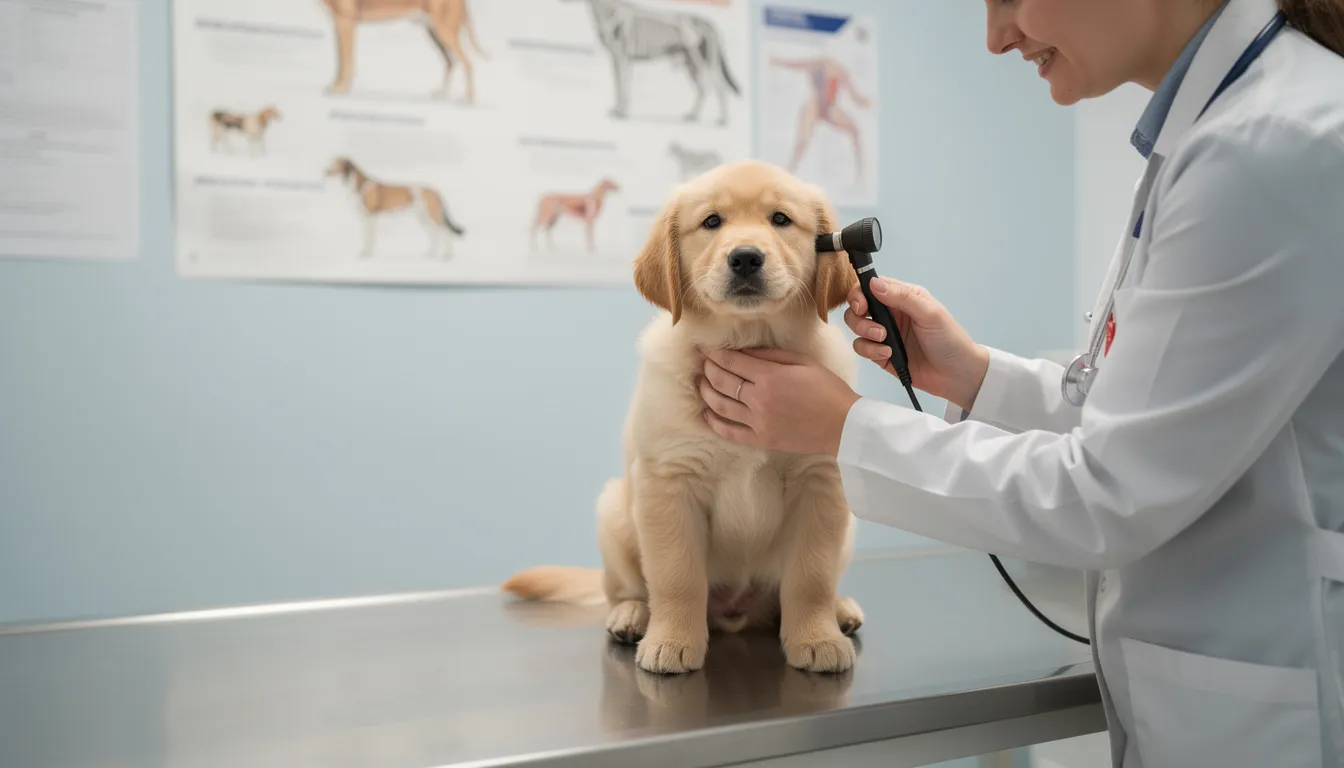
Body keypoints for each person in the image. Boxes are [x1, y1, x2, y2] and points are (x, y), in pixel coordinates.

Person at [694, 0, 1344, 765]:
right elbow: (1154, 424)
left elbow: (1109, 492)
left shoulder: (1274, 146)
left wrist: (845, 429)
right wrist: (973, 375)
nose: (997, 37)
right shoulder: (1218, 136)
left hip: (1276, 705)